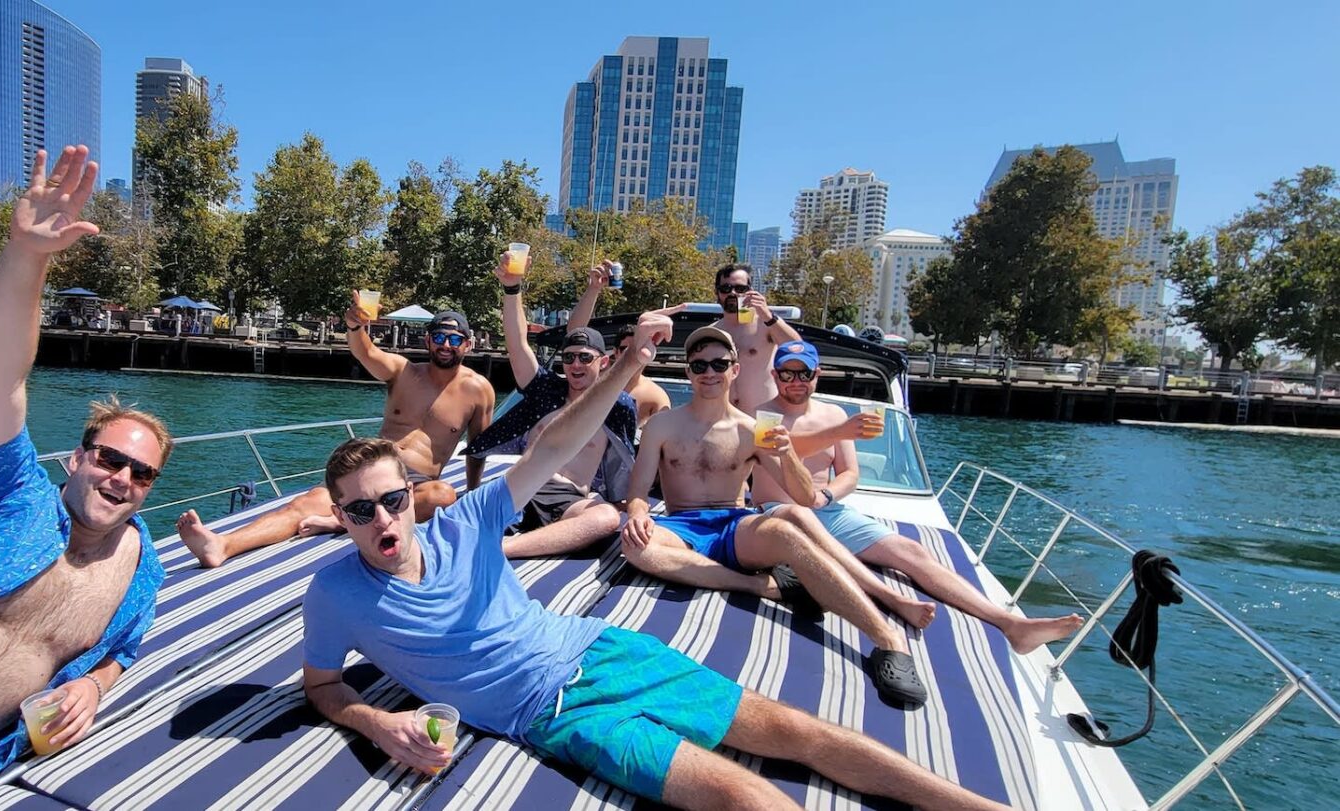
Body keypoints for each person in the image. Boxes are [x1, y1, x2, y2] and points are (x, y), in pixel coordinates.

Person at [300, 308, 1009, 811]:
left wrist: (629, 363)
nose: (382, 518)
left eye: (391, 500)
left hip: (600, 646)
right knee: (743, 797)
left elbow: (550, 446)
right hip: (553, 713)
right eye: (361, 510)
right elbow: (325, 687)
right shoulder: (336, 592)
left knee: (798, 730)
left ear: (412, 493)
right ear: (339, 516)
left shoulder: (466, 520)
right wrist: (376, 721)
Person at [0, 146, 168, 802]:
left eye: (141, 472)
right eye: (108, 457)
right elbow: (2, 376)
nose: (121, 476)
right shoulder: (5, 492)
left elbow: (121, 651)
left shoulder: (139, 568)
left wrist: (93, 687)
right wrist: (26, 255)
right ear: (76, 458)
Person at [619, 326, 930, 707]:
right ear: (689, 372)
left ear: (735, 369)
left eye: (719, 363)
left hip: (733, 523)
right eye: (699, 364)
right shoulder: (662, 425)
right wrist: (637, 512)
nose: (709, 372)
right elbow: (638, 492)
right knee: (636, 547)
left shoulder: (757, 428)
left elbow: (805, 497)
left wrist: (787, 455)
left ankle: (888, 640)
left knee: (787, 531)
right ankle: (758, 585)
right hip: (680, 524)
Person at [754, 341, 1085, 654]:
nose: (795, 381)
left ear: (817, 374)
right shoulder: (762, 416)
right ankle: (892, 599)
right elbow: (778, 449)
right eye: (787, 373)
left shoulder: (836, 415)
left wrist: (827, 495)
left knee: (910, 550)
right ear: (775, 376)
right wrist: (838, 434)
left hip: (828, 509)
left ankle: (1011, 624)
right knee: (827, 547)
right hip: (781, 512)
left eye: (804, 373)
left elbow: (850, 474)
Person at [176, 302, 494, 567]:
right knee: (304, 504)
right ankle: (222, 545)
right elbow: (365, 353)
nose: (445, 345)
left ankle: (341, 521)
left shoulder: (478, 391)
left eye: (454, 339)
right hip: (373, 466)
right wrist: (355, 327)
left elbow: (478, 448)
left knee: (444, 496)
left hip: (414, 483)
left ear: (467, 344)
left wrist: (475, 492)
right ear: (427, 341)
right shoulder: (403, 372)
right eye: (439, 336)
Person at [461, 258, 631, 558]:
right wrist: (511, 288)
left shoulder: (616, 407)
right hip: (519, 484)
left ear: (604, 362)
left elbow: (627, 461)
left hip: (568, 497)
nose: (575, 365)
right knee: (445, 508)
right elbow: (517, 343)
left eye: (585, 358)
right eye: (568, 358)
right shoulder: (545, 391)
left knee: (605, 518)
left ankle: (503, 549)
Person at [566, 263, 671, 426]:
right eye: (626, 349)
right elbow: (574, 334)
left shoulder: (656, 397)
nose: (633, 355)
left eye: (639, 348)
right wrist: (593, 289)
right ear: (615, 352)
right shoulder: (593, 381)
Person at [708, 263, 802, 414]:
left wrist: (767, 315)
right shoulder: (712, 332)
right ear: (717, 293)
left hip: (762, 419)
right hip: (723, 421)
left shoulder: (765, 325)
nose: (733, 293)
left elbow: (797, 349)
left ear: (750, 292)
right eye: (726, 288)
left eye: (740, 289)